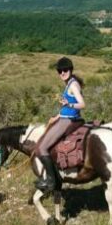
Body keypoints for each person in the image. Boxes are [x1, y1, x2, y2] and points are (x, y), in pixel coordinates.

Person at [34, 57, 86, 192]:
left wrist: (68, 103)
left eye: (65, 70)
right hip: (64, 118)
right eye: (59, 71)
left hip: (68, 120)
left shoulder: (73, 85)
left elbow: (82, 104)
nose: (62, 73)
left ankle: (51, 181)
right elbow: (67, 107)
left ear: (70, 70)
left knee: (41, 148)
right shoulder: (69, 83)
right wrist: (56, 116)